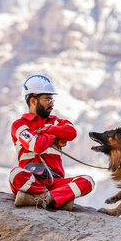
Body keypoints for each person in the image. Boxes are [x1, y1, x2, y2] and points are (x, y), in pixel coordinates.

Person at [9, 74, 95, 210]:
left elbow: (71, 132)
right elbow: (37, 145)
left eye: (52, 99)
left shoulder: (55, 121)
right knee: (15, 174)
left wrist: (46, 130)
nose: (52, 103)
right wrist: (54, 135)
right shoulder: (19, 125)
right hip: (31, 179)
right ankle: (57, 199)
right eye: (47, 99)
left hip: (55, 181)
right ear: (33, 100)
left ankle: (41, 198)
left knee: (88, 181)